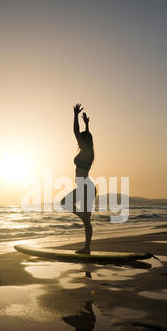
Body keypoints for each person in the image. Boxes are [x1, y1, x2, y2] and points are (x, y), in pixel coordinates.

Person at [61, 103, 96, 254]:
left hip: (85, 187)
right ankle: (87, 248)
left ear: (84, 141)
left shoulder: (86, 150)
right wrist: (87, 125)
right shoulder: (89, 150)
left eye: (80, 139)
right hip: (87, 187)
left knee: (64, 203)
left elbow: (75, 131)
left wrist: (75, 115)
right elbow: (86, 135)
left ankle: (82, 217)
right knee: (87, 222)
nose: (78, 141)